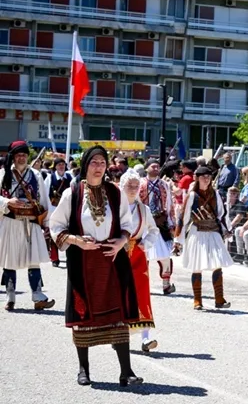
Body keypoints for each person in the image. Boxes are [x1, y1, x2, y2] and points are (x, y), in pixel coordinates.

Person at [49, 146, 143, 387]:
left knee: (118, 312)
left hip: (112, 260)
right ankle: (83, 369)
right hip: (83, 262)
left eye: (102, 162)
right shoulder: (73, 193)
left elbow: (127, 223)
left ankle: (126, 371)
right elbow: (56, 226)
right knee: (83, 313)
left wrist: (121, 241)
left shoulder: (115, 192)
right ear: (86, 165)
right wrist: (77, 240)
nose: (99, 167)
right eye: (94, 162)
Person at [0, 140, 54, 311]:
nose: (21, 158)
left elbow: (43, 199)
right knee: (9, 260)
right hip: (10, 221)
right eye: (18, 155)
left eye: (24, 155)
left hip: (31, 222)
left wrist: (46, 224)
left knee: (34, 260)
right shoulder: (3, 174)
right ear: (13, 157)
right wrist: (8, 201)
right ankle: (10, 297)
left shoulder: (36, 175)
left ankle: (38, 297)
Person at [178, 166, 234, 310]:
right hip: (197, 231)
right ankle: (197, 300)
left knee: (217, 263)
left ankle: (219, 299)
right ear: (197, 178)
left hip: (213, 231)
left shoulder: (215, 194)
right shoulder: (192, 195)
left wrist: (226, 229)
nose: (206, 179)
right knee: (197, 266)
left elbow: (221, 214)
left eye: (209, 176)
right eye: (203, 176)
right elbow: (184, 217)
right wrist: (179, 238)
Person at [120, 169, 160, 352]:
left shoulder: (144, 209)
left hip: (137, 254)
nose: (133, 189)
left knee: (141, 293)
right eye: (130, 185)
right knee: (119, 293)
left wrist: (145, 244)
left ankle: (145, 337)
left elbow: (154, 230)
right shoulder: (113, 208)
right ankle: (120, 334)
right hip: (117, 253)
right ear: (122, 186)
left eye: (136, 186)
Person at [139, 159, 177, 295]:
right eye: (153, 166)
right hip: (143, 223)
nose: (156, 168)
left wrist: (171, 222)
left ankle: (166, 285)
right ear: (146, 168)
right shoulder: (140, 184)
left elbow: (169, 204)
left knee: (165, 255)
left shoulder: (164, 185)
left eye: (157, 166)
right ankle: (141, 284)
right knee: (143, 255)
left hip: (160, 223)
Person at [45, 157, 73, 267]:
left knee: (68, 233)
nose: (61, 167)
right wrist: (48, 211)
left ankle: (69, 257)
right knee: (54, 234)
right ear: (55, 167)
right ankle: (54, 258)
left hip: (67, 209)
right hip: (54, 209)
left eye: (63, 164)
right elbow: (45, 194)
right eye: (59, 165)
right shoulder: (50, 178)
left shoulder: (70, 177)